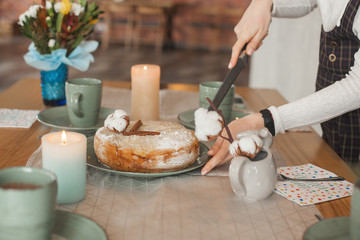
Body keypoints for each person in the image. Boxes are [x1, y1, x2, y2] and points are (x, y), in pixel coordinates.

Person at [201, 0, 360, 175]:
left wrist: (265, 120)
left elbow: (356, 87)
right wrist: (265, 4)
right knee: (338, 177)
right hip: (335, 127)